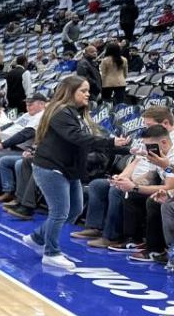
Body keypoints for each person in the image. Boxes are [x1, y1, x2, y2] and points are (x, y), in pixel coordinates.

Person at [22, 75, 130, 271]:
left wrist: (127, 149)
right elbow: (78, 138)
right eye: (83, 90)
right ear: (70, 91)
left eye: (88, 90)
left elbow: (94, 139)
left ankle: (37, 238)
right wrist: (111, 142)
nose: (88, 94)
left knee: (75, 210)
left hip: (68, 169)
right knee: (60, 211)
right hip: (51, 168)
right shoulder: (61, 112)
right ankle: (51, 253)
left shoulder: (78, 113)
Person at [99, 41, 128, 106]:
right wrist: (123, 78)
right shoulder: (124, 59)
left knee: (106, 101)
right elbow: (125, 73)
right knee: (120, 101)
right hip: (121, 82)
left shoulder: (105, 60)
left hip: (107, 83)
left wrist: (102, 82)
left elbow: (103, 73)